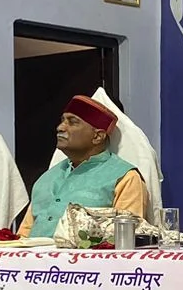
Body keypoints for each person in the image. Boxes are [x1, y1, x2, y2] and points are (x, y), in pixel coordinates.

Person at [17, 96, 148, 238]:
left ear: (97, 136)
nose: (60, 128)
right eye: (62, 121)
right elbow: (23, 236)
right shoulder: (47, 178)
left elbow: (125, 238)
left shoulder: (124, 178)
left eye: (73, 122)